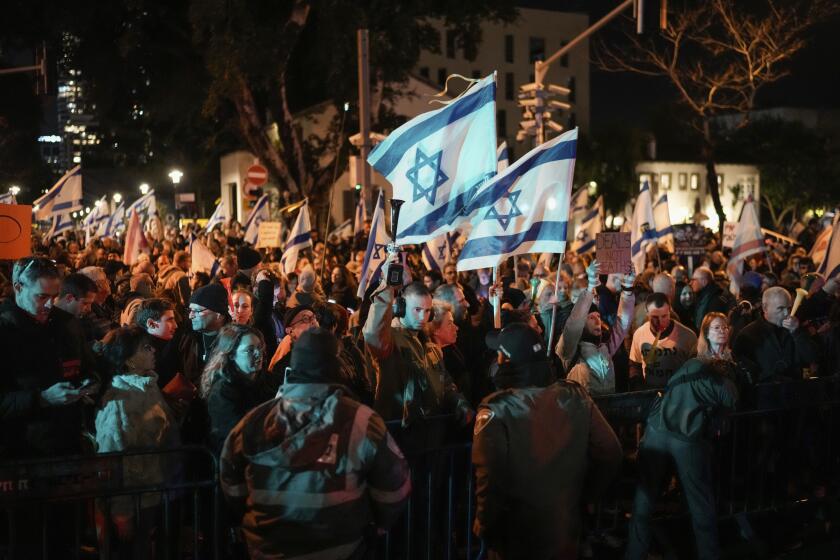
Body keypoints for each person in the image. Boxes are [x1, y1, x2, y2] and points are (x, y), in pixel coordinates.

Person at [220, 328, 411, 559]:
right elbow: (394, 487)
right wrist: (376, 523)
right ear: (336, 366)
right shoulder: (360, 420)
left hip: (270, 549)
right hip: (340, 549)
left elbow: (232, 483)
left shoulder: (254, 422)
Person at [473, 322, 622, 559]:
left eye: (498, 354)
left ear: (506, 361)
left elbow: (490, 476)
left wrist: (484, 525)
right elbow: (610, 451)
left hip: (515, 534)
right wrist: (586, 496)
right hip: (565, 527)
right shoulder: (575, 396)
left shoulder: (497, 409)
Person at [625, 313, 739, 560]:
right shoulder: (699, 364)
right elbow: (730, 396)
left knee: (651, 503)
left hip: (666, 431)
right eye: (716, 327)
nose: (722, 331)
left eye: (725, 327)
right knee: (696, 506)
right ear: (706, 334)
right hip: (681, 436)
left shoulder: (708, 366)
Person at [94, 326, 181, 557]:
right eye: (146, 347)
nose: (154, 351)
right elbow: (113, 459)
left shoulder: (146, 386)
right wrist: (121, 513)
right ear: (129, 359)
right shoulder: (119, 402)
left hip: (152, 493)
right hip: (135, 501)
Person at [1, 257, 99, 459]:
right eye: (41, 297)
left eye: (54, 297)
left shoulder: (67, 324)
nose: (49, 305)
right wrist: (43, 398)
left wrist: (90, 383)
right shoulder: (4, 330)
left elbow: (89, 366)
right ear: (18, 288)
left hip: (69, 442)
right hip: (21, 451)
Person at [363, 254, 473, 427]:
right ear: (400, 307)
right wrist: (386, 288)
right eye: (417, 309)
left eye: (428, 311)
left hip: (431, 435)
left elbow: (445, 382)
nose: (423, 316)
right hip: (400, 435)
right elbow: (372, 333)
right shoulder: (390, 340)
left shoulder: (430, 345)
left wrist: (458, 401)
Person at [556, 261, 635, 396]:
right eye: (591, 317)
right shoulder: (569, 350)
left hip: (606, 411)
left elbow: (622, 324)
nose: (598, 321)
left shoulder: (605, 346)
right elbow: (573, 325)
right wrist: (591, 286)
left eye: (598, 316)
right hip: (582, 412)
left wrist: (627, 288)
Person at [200, 324, 275, 456]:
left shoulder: (267, 379)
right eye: (250, 350)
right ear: (231, 355)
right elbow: (236, 435)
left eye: (259, 348)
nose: (259, 354)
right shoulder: (222, 391)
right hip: (236, 458)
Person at [733, 286, 817, 383]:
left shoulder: (795, 328)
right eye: (780, 309)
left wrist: (797, 332)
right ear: (765, 308)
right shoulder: (748, 334)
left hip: (795, 391)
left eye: (788, 308)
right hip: (765, 393)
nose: (786, 313)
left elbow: (812, 357)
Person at [629, 292, 698, 389]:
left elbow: (694, 369)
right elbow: (635, 364)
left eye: (664, 316)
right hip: (649, 393)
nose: (660, 322)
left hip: (677, 392)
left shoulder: (688, 336)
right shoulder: (639, 334)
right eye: (655, 317)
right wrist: (637, 383)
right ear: (646, 312)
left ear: (670, 311)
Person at [688, 266, 734, 332]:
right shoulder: (702, 296)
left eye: (694, 280)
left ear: (704, 281)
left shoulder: (715, 299)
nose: (690, 283)